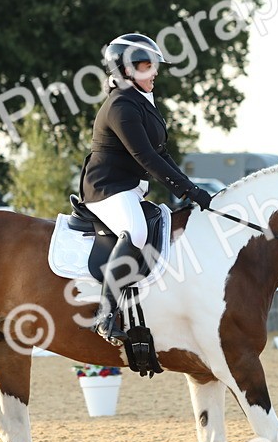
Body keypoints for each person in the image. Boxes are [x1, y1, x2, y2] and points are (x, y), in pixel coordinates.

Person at [79, 33, 214, 344]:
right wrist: (188, 192)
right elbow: (146, 156)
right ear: (124, 71)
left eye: (154, 66)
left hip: (128, 188)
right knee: (137, 233)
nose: (154, 72)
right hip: (106, 187)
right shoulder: (121, 106)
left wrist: (192, 188)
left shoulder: (143, 101)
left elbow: (161, 151)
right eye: (146, 66)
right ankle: (105, 314)